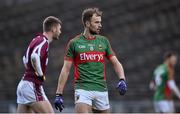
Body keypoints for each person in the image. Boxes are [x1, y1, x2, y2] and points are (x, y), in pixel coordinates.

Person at [54, 7, 127, 113]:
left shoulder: (104, 41)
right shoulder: (74, 43)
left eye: (100, 22)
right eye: (96, 22)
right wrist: (58, 94)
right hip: (83, 89)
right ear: (87, 24)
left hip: (101, 89)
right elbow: (65, 70)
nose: (100, 25)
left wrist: (122, 79)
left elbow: (116, 63)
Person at [16, 16, 62, 113]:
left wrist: (31, 71)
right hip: (32, 85)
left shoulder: (36, 39)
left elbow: (25, 59)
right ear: (53, 29)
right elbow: (34, 56)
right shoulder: (43, 41)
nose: (60, 31)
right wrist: (40, 74)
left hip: (23, 85)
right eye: (59, 28)